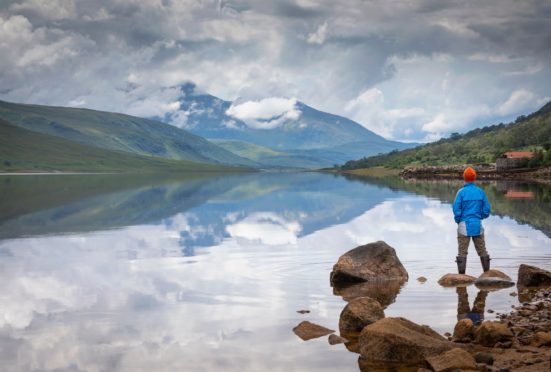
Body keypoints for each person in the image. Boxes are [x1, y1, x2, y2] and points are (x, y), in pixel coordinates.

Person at [452, 167, 491, 274]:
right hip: (477, 225)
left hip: (463, 225)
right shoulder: (480, 192)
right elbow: (487, 210)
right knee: (482, 250)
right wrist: (480, 217)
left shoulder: (461, 192)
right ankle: (487, 274)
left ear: (464, 178)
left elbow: (456, 209)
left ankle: (461, 277)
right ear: (474, 178)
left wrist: (459, 220)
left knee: (462, 252)